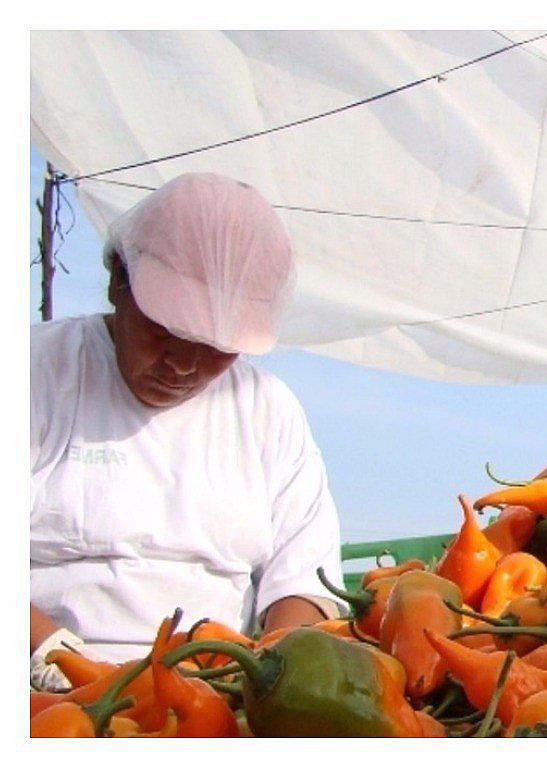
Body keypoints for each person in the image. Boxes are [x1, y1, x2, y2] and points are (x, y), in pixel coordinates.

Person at [30, 173, 344, 689]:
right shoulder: (35, 372)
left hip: (212, 691)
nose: (183, 365)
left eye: (216, 346)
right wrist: (53, 659)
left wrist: (267, 676)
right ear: (117, 280)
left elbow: (303, 582)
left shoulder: (268, 412)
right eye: (167, 330)